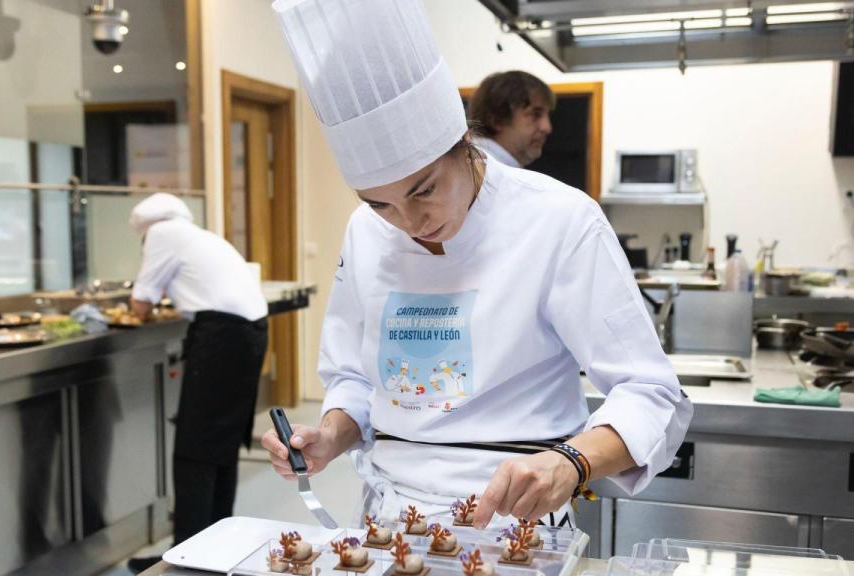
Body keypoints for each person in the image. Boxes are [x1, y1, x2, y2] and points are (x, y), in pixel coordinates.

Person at [264, 0, 691, 530]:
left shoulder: (559, 219)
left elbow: (651, 393)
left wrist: (571, 462)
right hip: (389, 519)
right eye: (380, 204)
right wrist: (331, 434)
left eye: (424, 190)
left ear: (465, 144)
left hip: (517, 520)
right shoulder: (365, 231)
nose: (410, 222)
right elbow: (353, 377)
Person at [126, 193, 268, 572]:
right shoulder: (198, 236)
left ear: (145, 229)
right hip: (249, 333)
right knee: (221, 446)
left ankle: (186, 558)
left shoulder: (161, 234)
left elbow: (141, 303)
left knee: (195, 449)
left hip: (222, 336)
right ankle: (213, 547)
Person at [467, 70, 555, 168]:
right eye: (535, 114)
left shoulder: (470, 163)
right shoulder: (482, 169)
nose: (547, 128)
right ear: (498, 120)